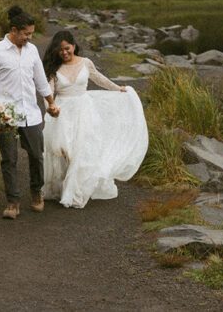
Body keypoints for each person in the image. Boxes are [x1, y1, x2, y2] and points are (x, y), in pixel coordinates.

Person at [41, 30, 148, 208]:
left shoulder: (86, 63)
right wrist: (50, 108)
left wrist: (117, 89)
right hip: (63, 112)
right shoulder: (54, 68)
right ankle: (63, 186)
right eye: (60, 50)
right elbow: (48, 93)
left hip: (85, 111)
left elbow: (99, 79)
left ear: (73, 46)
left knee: (82, 151)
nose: (64, 53)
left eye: (67, 48)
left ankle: (75, 192)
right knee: (65, 150)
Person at [0, 6, 60, 219]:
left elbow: (41, 80)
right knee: (9, 159)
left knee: (36, 155)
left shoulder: (32, 50)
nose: (29, 38)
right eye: (26, 34)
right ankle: (13, 201)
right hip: (5, 115)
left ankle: (36, 191)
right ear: (14, 30)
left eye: (31, 34)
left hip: (31, 113)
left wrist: (50, 103)